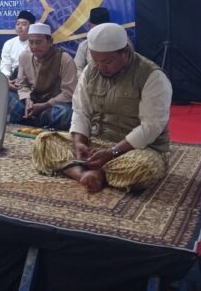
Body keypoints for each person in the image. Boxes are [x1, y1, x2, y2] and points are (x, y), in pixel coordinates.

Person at [33, 23, 172, 193]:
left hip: (138, 149)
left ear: (125, 52)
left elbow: (151, 127)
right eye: (96, 60)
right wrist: (79, 143)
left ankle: (94, 172)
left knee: (142, 168)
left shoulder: (151, 76)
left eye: (107, 61)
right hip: (98, 143)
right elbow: (81, 110)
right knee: (44, 142)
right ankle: (84, 174)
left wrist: (113, 152)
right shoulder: (91, 70)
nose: (100, 67)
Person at [9, 23, 77, 130]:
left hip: (52, 105)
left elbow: (69, 93)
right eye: (31, 42)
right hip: (32, 101)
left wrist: (45, 105)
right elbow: (22, 85)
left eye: (38, 42)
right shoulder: (24, 56)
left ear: (50, 42)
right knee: (8, 97)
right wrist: (27, 100)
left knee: (66, 113)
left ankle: (27, 119)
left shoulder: (64, 59)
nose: (34, 47)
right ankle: (34, 118)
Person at [0, 10, 36, 82]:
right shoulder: (9, 43)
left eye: (24, 24)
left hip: (31, 79)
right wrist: (7, 80)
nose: (19, 27)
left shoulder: (36, 44)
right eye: (17, 24)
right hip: (12, 78)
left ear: (31, 26)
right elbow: (5, 65)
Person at [74, 6, 109, 74]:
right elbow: (77, 69)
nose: (99, 32)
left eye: (101, 28)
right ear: (89, 26)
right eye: (96, 29)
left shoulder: (120, 40)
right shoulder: (84, 45)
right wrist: (86, 79)